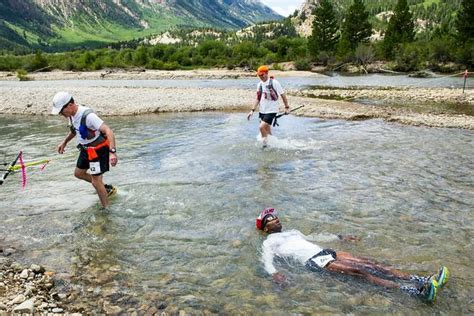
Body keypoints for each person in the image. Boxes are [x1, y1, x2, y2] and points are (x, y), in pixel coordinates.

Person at [256, 208, 449, 303]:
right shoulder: (269, 241)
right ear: (265, 228)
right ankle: (416, 293)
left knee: (372, 264)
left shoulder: (293, 232)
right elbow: (267, 260)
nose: (276, 219)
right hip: (314, 260)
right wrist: (274, 273)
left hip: (325, 252)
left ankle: (422, 279)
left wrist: (339, 236)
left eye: (276, 216)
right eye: (271, 219)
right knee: (360, 272)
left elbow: (314, 237)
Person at [52, 92, 118, 208]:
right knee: (78, 173)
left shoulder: (88, 116)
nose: (61, 114)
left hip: (98, 151)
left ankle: (106, 211)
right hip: (85, 150)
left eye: (62, 111)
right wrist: (64, 142)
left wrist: (112, 153)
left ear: (70, 105)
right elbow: (74, 130)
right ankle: (106, 189)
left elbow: (108, 131)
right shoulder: (71, 116)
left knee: (96, 182)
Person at [247, 65, 290, 147]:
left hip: (272, 110)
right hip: (262, 110)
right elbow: (258, 98)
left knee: (261, 127)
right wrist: (252, 110)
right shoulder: (259, 84)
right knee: (267, 129)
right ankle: (274, 144)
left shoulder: (274, 82)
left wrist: (287, 107)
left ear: (267, 73)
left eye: (262, 75)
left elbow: (283, 95)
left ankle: (265, 146)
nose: (260, 77)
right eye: (259, 75)